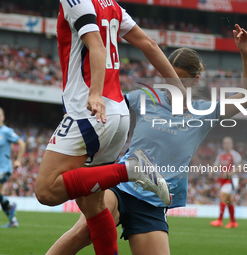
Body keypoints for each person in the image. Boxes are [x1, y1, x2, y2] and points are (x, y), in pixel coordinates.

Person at [44, 24, 247, 255]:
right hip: (120, 188)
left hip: (153, 204)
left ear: (195, 81)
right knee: (83, 231)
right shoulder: (145, 98)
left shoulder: (205, 112)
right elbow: (108, 110)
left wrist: (246, 55)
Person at [34, 0, 186, 254]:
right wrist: (179, 88)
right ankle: (128, 170)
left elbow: (96, 45)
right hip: (118, 115)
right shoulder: (112, 5)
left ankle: (130, 170)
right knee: (93, 207)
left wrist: (94, 93)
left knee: (46, 190)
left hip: (90, 111)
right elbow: (149, 44)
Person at [210, 136, 241, 228]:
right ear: (223, 145)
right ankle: (233, 222)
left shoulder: (235, 155)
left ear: (232, 145)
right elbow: (216, 165)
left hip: (231, 179)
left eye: (228, 143)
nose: (226, 145)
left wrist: (230, 173)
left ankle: (219, 220)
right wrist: (211, 170)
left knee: (222, 196)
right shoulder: (221, 155)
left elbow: (239, 167)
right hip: (223, 179)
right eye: (225, 143)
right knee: (229, 200)